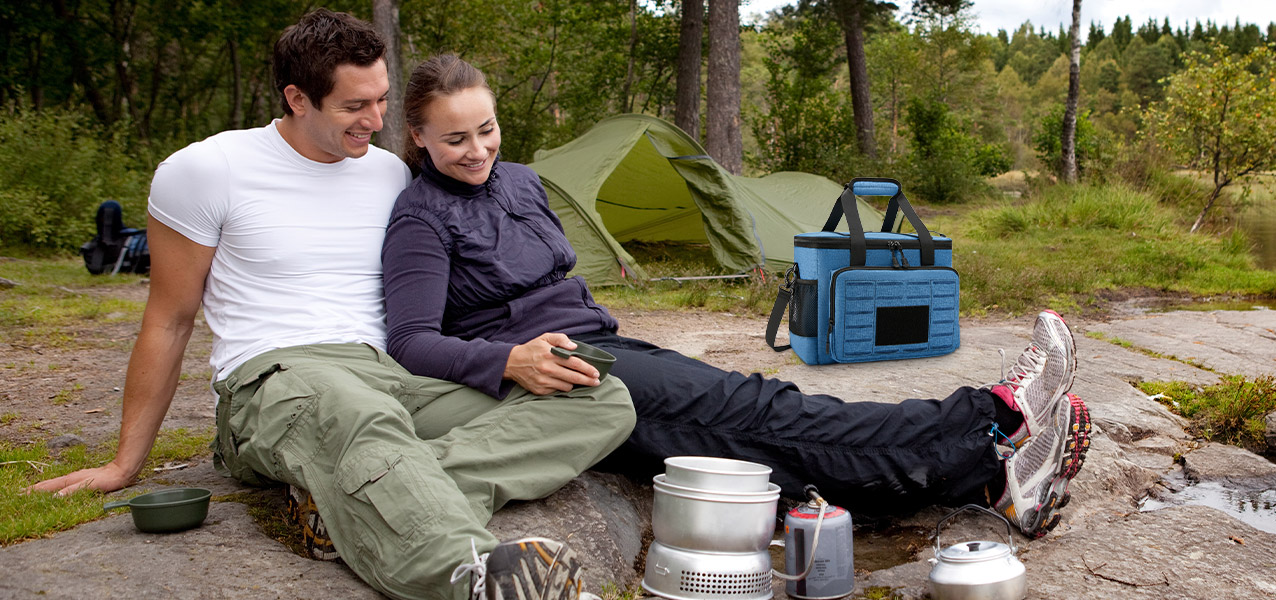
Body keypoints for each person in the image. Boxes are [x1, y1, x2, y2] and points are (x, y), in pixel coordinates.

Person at [29, 11, 633, 600]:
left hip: (389, 376)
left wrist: (510, 355)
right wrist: (124, 464)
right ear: (297, 98)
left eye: (382, 99)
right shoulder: (206, 170)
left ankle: (352, 496)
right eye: (354, 106)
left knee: (596, 395)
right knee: (357, 413)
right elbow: (169, 320)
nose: (376, 120)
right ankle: (472, 576)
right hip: (276, 376)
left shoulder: (389, 173)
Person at [382, 55, 1094, 537]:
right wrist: (509, 362)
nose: (477, 150)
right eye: (455, 139)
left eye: (487, 129)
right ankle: (995, 415)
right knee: (761, 413)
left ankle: (986, 478)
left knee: (760, 444)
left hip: (605, 346)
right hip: (559, 372)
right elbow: (410, 342)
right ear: (417, 136)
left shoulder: (522, 180)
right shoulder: (420, 218)